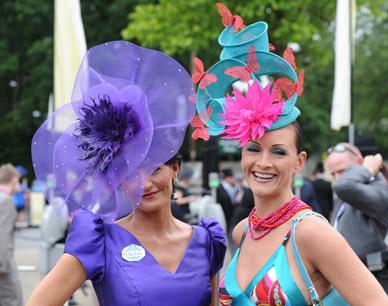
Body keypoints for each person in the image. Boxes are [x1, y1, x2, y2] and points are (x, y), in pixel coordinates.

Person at [191, 4, 388, 304]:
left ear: (299, 161)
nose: (263, 162)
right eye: (254, 149)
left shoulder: (311, 233)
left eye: (279, 152)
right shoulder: (243, 232)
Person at [26, 41, 226, 306]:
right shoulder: (99, 241)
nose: (145, 183)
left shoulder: (206, 242)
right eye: (131, 173)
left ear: (175, 170)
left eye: (155, 169)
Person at [326, 142, 388, 303]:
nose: (338, 178)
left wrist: (367, 169)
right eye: (333, 174)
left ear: (360, 162)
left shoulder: (378, 189)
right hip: (344, 284)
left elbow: (344, 186)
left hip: (369, 285)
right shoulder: (347, 192)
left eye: (342, 171)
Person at [0, 163, 23, 306]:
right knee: (13, 300)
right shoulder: (5, 202)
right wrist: (3, 268)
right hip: (3, 266)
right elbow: (2, 236)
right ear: (13, 179)